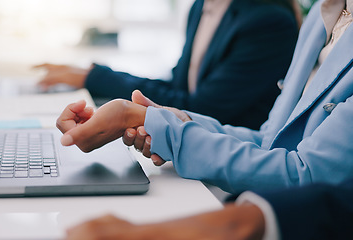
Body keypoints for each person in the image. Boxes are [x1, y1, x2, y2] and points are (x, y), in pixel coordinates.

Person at [55, 0, 353, 194]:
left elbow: (307, 176)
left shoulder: (269, 18)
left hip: (256, 201)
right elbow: (268, 139)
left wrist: (146, 121)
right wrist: (165, 118)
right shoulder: (324, 13)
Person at [36, 0, 301, 130]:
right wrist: (91, 76)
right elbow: (178, 87)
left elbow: (201, 107)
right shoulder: (203, 6)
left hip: (228, 165)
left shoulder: (268, 21)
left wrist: (95, 78)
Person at [64, 179, 353, 240]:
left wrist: (238, 222)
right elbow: (270, 134)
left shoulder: (270, 20)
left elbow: (309, 170)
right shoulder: (319, 23)